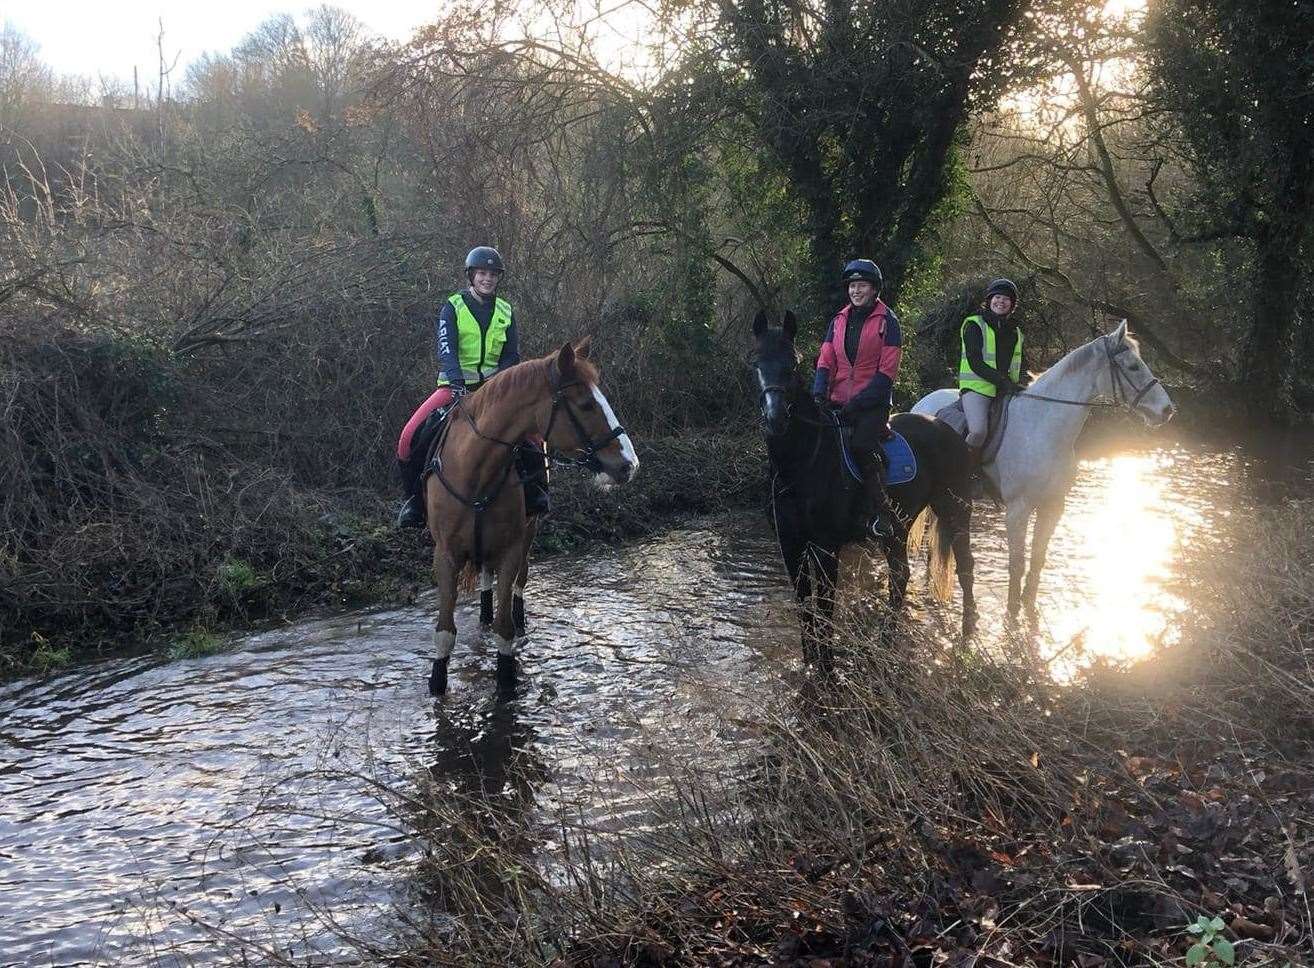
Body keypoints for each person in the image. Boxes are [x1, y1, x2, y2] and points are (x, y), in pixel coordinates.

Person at [394, 245, 549, 528]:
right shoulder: (452, 306)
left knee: (534, 439)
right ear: (471, 275)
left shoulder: (506, 310)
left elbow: (511, 355)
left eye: (492, 274)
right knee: (407, 438)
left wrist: (499, 387)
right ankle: (414, 503)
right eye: (482, 273)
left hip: (494, 391)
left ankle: (536, 493)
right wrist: (455, 383)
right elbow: (446, 349)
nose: (487, 279)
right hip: (453, 388)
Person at [812, 258, 903, 540]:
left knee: (862, 444)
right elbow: (826, 360)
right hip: (837, 398)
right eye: (852, 286)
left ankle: (880, 513)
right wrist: (819, 392)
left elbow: (887, 372)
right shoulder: (838, 321)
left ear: (874, 289)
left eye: (861, 285)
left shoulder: (888, 321)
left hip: (871, 404)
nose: (855, 291)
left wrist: (859, 404)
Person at [958, 278, 1025, 476]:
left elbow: (1020, 362)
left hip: (1006, 390)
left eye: (1006, 299)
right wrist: (1003, 382)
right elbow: (975, 362)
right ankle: (966, 473)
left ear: (1011, 305)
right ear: (989, 300)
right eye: (997, 297)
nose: (1001, 302)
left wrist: (1022, 384)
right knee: (978, 431)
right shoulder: (974, 325)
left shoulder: (1015, 332)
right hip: (978, 388)